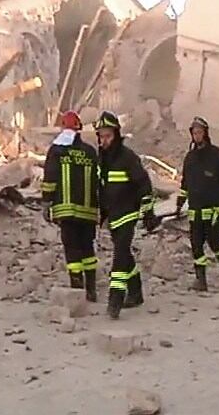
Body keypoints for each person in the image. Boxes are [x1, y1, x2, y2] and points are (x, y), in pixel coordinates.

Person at [94, 110, 159, 319]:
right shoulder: (102, 159)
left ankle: (116, 299)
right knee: (125, 254)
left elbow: (144, 184)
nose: (104, 141)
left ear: (117, 135)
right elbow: (102, 187)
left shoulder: (127, 157)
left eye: (108, 136)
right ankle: (136, 292)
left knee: (120, 255)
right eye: (101, 136)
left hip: (128, 213)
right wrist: (102, 212)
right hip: (113, 214)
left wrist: (148, 212)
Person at [41, 110, 99, 302]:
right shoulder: (90, 152)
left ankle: (77, 288)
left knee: (72, 249)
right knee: (88, 249)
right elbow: (99, 181)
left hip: (66, 211)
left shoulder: (57, 150)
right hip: (88, 211)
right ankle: (91, 289)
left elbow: (50, 178)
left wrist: (46, 202)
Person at [176, 116, 219, 291]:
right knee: (196, 246)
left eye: (199, 132)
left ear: (205, 133)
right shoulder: (190, 158)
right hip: (195, 210)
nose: (196, 136)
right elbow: (185, 183)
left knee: (214, 242)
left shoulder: (217, 155)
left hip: (214, 210)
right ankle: (201, 280)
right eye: (194, 133)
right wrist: (180, 202)